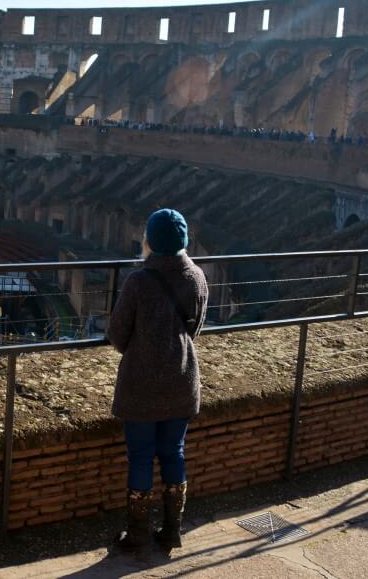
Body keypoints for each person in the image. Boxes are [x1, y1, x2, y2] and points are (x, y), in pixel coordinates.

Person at [106, 208, 209, 553]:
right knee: (173, 453)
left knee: (140, 457)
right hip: (182, 379)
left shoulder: (138, 281)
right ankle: (172, 530)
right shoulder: (197, 276)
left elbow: (118, 335)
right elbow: (194, 330)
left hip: (141, 386)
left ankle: (137, 534)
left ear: (149, 241)